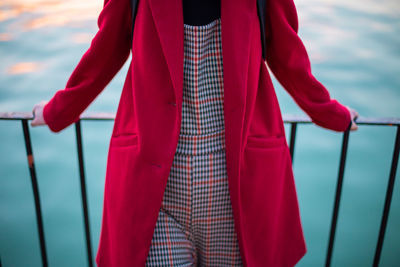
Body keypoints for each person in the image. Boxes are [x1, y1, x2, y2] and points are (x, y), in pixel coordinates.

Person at [31, 0, 359, 265]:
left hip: (236, 193)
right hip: (157, 193)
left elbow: (289, 56)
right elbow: (105, 50)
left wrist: (330, 112)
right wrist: (58, 111)